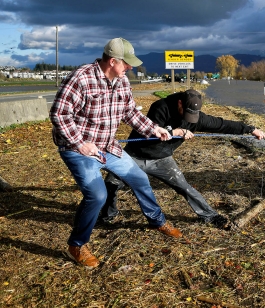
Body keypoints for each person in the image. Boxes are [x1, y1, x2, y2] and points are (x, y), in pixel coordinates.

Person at [50, 37, 182, 268]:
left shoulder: (122, 82)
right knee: (98, 195)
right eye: (126, 63)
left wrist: (155, 129)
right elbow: (59, 114)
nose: (130, 67)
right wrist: (80, 143)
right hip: (78, 148)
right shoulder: (81, 78)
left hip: (107, 146)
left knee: (140, 178)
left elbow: (130, 112)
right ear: (112, 61)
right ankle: (76, 245)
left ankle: (157, 220)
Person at [100, 89, 265, 229]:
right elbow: (150, 132)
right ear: (180, 103)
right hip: (134, 155)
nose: (189, 118)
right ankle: (108, 215)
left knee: (184, 186)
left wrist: (251, 129)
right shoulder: (160, 107)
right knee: (111, 183)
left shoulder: (197, 118)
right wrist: (176, 132)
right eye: (186, 112)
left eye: (192, 115)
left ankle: (210, 215)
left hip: (161, 159)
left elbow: (223, 124)